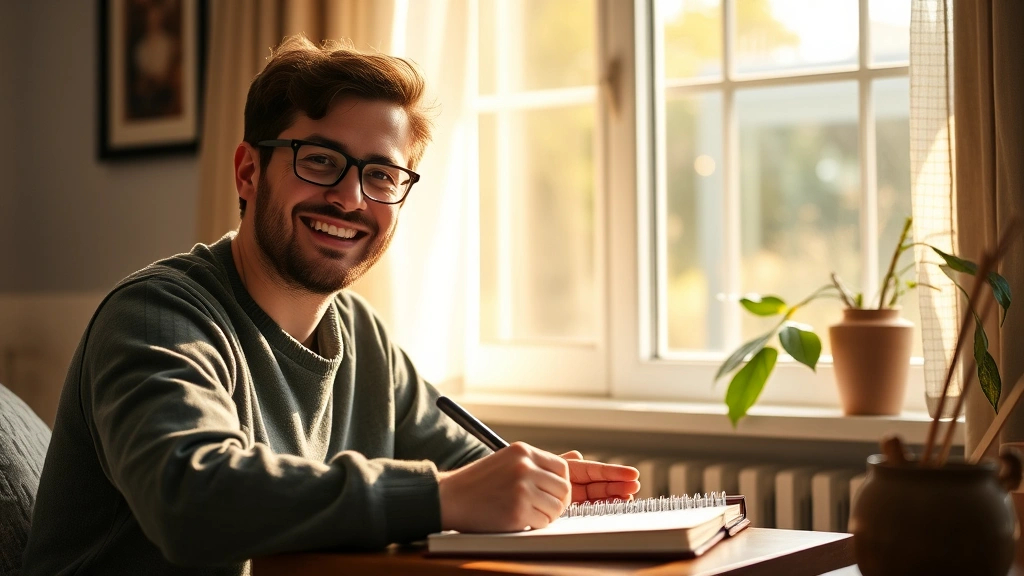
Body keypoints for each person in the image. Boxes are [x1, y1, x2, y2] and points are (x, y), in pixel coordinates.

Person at [22, 35, 640, 576]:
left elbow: (463, 466)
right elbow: (190, 499)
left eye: (382, 175)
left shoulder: (361, 337)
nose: (350, 198)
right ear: (247, 172)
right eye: (320, 161)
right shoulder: (156, 318)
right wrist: (443, 497)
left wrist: (536, 487)